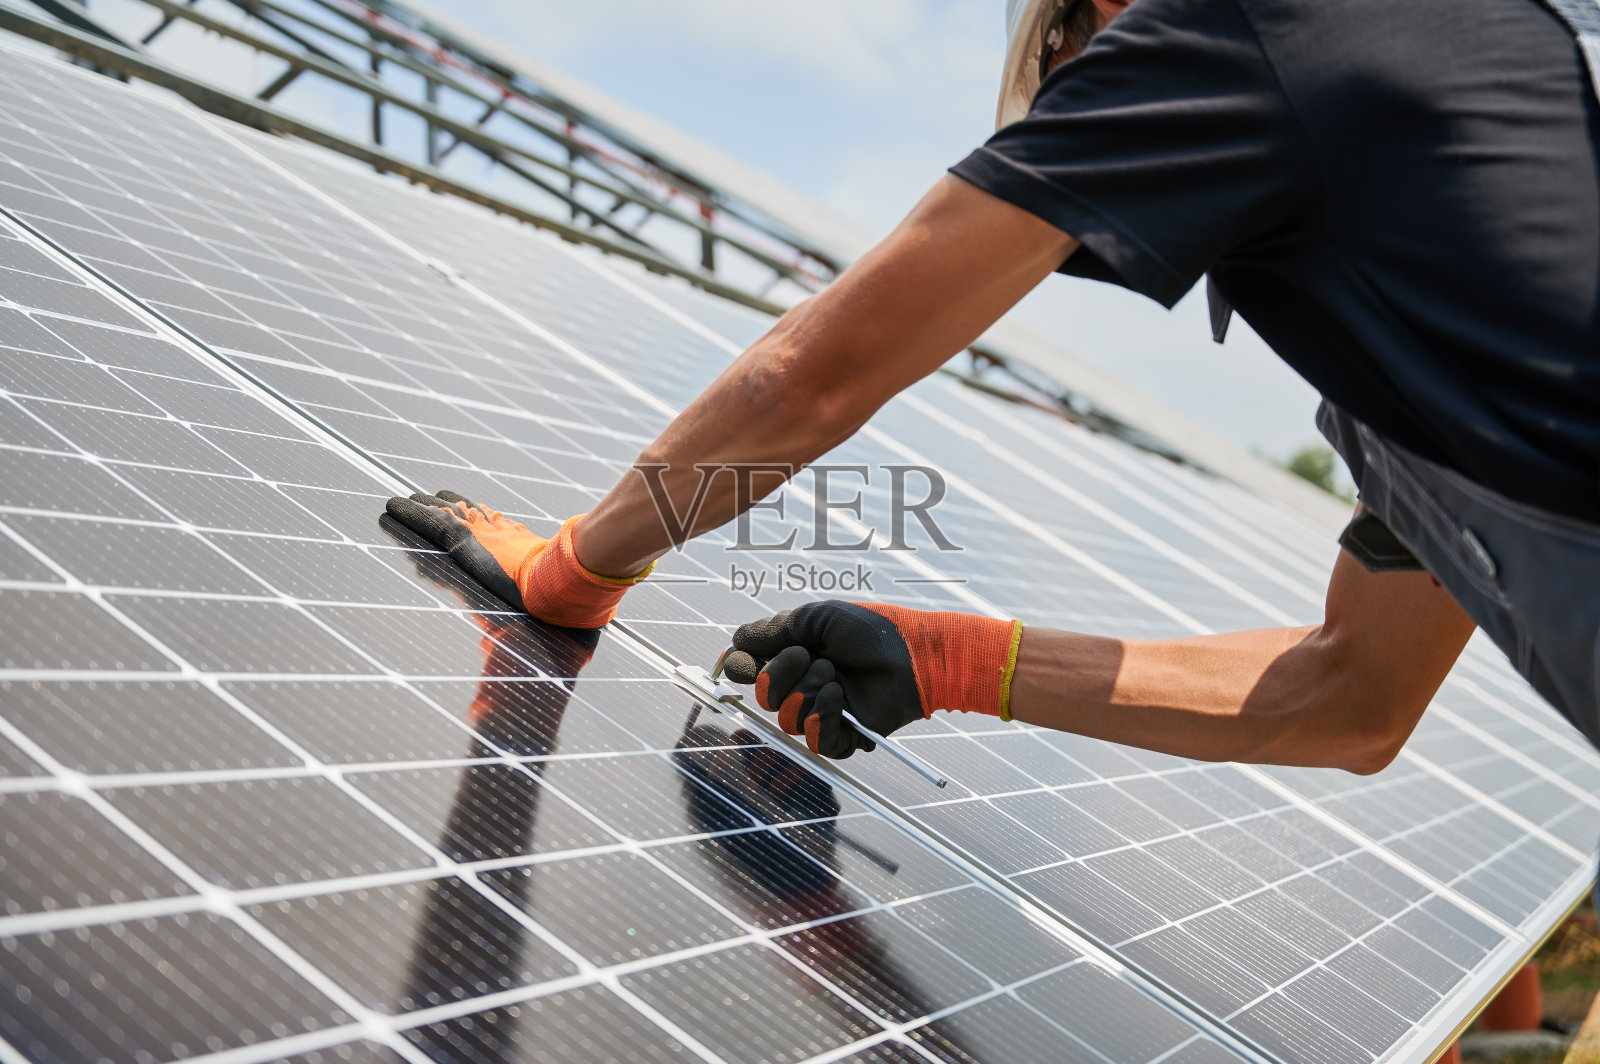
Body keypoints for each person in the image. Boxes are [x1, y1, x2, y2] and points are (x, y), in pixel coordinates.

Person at [386, 0, 1600, 774]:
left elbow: (814, 375)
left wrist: (574, 570)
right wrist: (950, 658)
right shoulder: (1453, 358)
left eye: (1079, 88)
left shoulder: (1253, 23)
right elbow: (1351, 696)